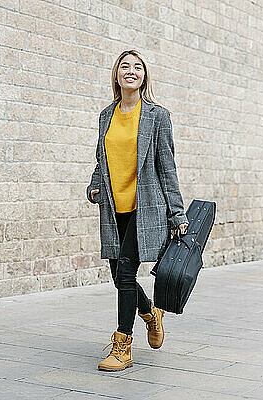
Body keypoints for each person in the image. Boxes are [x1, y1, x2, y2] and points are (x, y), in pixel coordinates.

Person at [86, 50, 189, 372]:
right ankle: (151, 313)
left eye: (137, 67)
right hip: (113, 206)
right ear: (116, 75)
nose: (131, 71)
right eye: (124, 66)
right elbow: (101, 159)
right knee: (119, 276)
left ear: (145, 76)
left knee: (127, 272)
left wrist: (178, 213)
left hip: (146, 206)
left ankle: (122, 346)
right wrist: (93, 185)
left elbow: (167, 167)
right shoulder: (106, 114)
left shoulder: (158, 116)